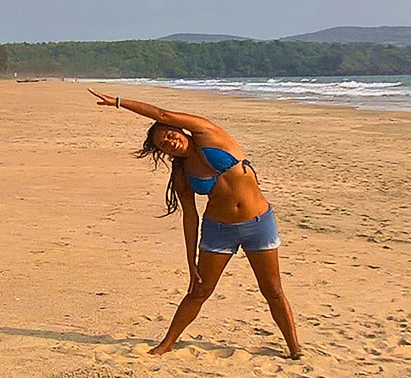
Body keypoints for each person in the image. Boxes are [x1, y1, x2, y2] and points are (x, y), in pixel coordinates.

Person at [88, 89, 302, 359]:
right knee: (199, 290)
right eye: (164, 145)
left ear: (179, 128)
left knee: (272, 289)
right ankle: (166, 343)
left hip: (258, 223)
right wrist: (191, 262)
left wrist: (119, 103)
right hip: (219, 230)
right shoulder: (182, 173)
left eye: (169, 134)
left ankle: (295, 348)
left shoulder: (208, 133)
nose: (170, 141)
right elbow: (191, 217)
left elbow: (161, 114)